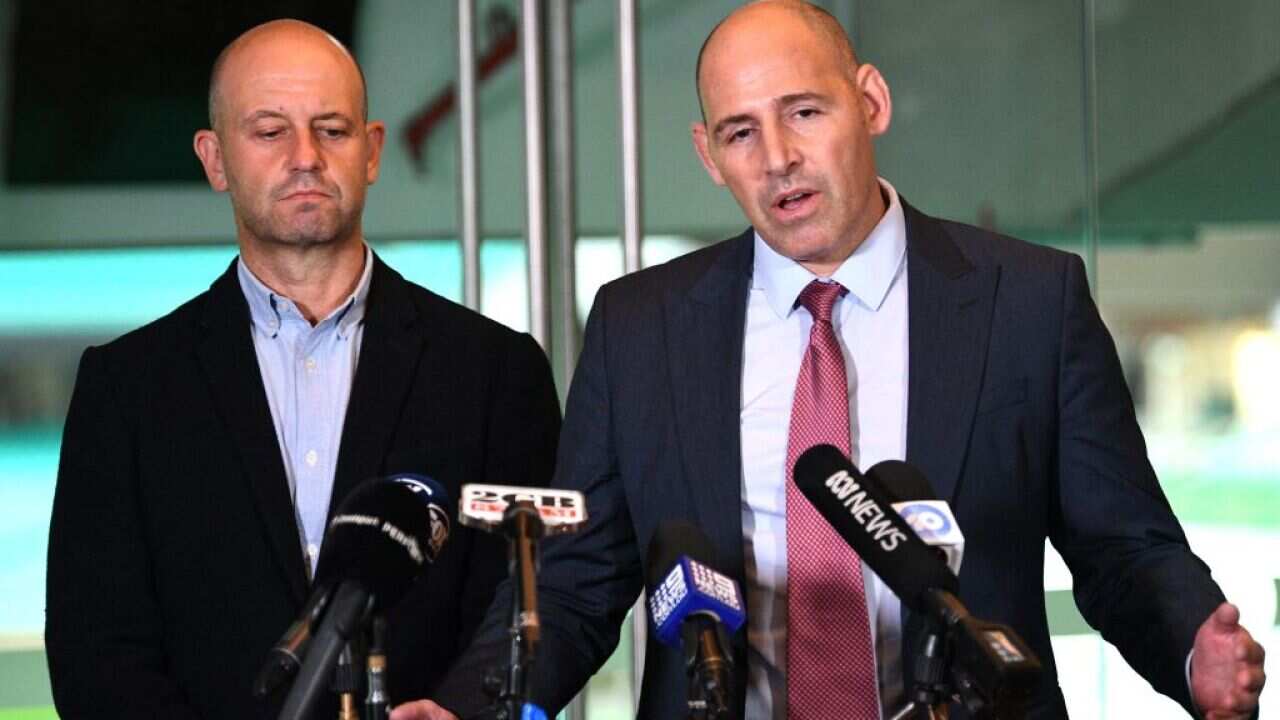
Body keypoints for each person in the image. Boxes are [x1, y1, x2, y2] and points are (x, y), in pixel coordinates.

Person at [395, 2, 1265, 719]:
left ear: (871, 101)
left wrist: (1192, 648)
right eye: (741, 133)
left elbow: (1121, 547)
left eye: (804, 112)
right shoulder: (641, 325)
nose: (778, 159)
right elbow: (580, 577)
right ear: (708, 155)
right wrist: (472, 706)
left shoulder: (1029, 303)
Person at [44, 19, 560, 719]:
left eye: (333, 129)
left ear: (372, 151)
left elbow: (536, 598)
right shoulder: (126, 389)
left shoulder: (496, 372)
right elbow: (95, 648)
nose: (306, 156)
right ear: (215, 157)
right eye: (268, 131)